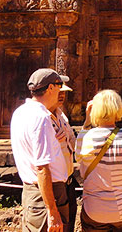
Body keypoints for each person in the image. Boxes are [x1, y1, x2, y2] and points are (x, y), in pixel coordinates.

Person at [75, 89, 122, 232]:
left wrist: (88, 119)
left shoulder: (85, 137)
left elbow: (80, 165)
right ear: (119, 108)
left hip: (94, 209)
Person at [11, 68, 71, 232]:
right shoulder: (42, 117)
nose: (61, 90)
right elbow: (42, 168)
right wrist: (52, 211)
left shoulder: (19, 112)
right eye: (59, 85)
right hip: (48, 193)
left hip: (31, 192)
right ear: (50, 88)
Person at [48, 83, 78, 232]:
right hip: (53, 181)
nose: (61, 96)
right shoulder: (43, 119)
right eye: (59, 92)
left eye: (64, 93)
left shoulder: (61, 115)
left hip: (69, 178)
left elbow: (72, 140)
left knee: (69, 219)